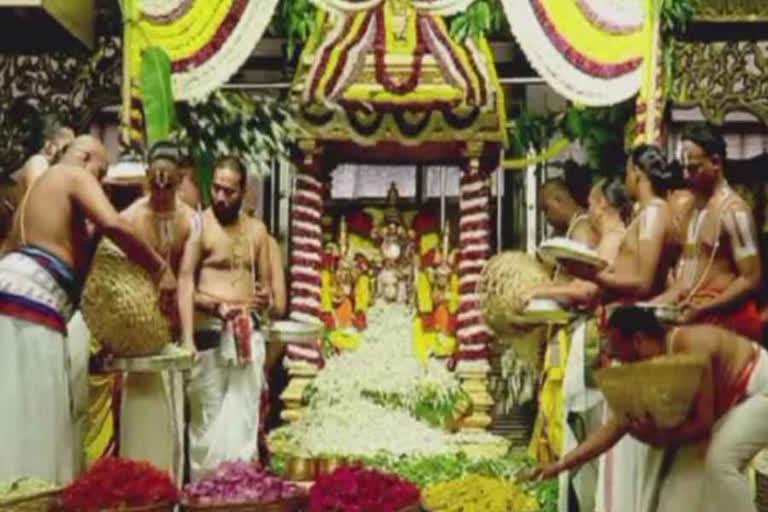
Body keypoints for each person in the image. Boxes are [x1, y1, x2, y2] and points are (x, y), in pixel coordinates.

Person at [0, 135, 175, 483]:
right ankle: (36, 498)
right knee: (42, 420)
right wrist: (159, 268)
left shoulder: (31, 198)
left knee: (11, 415)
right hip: (35, 305)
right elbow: (114, 223)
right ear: (83, 156)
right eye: (101, 169)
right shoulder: (72, 174)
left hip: (11, 298)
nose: (101, 180)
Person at [531, 304, 768, 512]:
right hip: (729, 409)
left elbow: (702, 426)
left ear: (638, 340)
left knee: (720, 462)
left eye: (620, 353)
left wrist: (654, 436)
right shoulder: (644, 361)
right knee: (673, 496)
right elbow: (616, 425)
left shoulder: (690, 345)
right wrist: (561, 465)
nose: (620, 362)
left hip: (759, 391)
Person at [178, 155, 272, 478]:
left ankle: (241, 498)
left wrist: (265, 297)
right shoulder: (199, 225)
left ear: (243, 191)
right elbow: (185, 280)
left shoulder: (258, 232)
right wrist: (189, 336)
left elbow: (268, 290)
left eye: (229, 191)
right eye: (216, 188)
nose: (220, 196)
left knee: (244, 423)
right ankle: (205, 498)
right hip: (209, 333)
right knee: (206, 424)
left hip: (247, 334)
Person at [654, 124, 763, 340]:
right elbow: (683, 282)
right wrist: (646, 308)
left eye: (693, 168)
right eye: (684, 168)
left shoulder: (734, 211)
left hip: (720, 322)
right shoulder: (688, 209)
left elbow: (751, 278)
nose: (686, 175)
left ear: (715, 162)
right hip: (690, 314)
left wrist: (705, 309)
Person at [538, 178, 597, 246]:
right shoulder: (573, 226)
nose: (547, 217)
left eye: (546, 209)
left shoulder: (581, 229)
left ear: (558, 200)